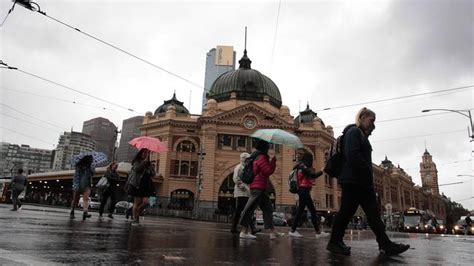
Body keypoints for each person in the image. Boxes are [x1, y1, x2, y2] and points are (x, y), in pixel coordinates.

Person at [327, 107, 410, 256]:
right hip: (355, 180)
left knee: (368, 214)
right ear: (362, 118)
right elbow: (353, 155)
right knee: (351, 212)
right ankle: (335, 242)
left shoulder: (359, 134)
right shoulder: (354, 132)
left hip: (359, 181)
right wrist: (367, 170)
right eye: (371, 120)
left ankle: (384, 244)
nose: (373, 125)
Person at [239, 139, 283, 240]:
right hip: (258, 187)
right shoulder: (261, 157)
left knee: (268, 209)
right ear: (265, 148)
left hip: (260, 187)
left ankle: (272, 232)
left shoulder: (255, 156)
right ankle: (243, 231)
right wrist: (273, 161)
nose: (268, 149)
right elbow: (268, 171)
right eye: (268, 147)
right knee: (249, 209)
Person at [289, 151, 324, 237]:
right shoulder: (303, 166)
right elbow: (313, 175)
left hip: (303, 190)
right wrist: (322, 171)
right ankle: (294, 230)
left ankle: (317, 231)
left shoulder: (300, 166)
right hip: (304, 190)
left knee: (306, 210)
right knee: (307, 210)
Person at [230, 152, 258, 234]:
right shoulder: (239, 167)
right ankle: (252, 228)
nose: (249, 160)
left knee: (241, 211)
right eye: (247, 159)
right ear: (244, 159)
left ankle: (235, 227)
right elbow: (236, 179)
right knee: (245, 210)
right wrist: (244, 188)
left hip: (245, 192)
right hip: (241, 192)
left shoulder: (245, 167)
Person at [126, 148, 155, 226]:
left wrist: (150, 167)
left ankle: (137, 213)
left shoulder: (149, 164)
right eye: (144, 153)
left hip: (146, 185)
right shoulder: (136, 161)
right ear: (140, 154)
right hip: (137, 184)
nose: (145, 154)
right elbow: (136, 169)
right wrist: (144, 163)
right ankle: (136, 220)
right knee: (137, 202)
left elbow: (153, 174)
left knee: (146, 202)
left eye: (147, 153)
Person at [70, 155, 95, 220]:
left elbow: (93, 174)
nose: (92, 160)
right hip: (78, 184)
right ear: (87, 159)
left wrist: (91, 168)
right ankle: (72, 211)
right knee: (75, 200)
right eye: (91, 159)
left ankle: (85, 212)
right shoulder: (79, 166)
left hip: (87, 185)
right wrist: (76, 185)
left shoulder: (91, 167)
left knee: (86, 199)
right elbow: (76, 176)